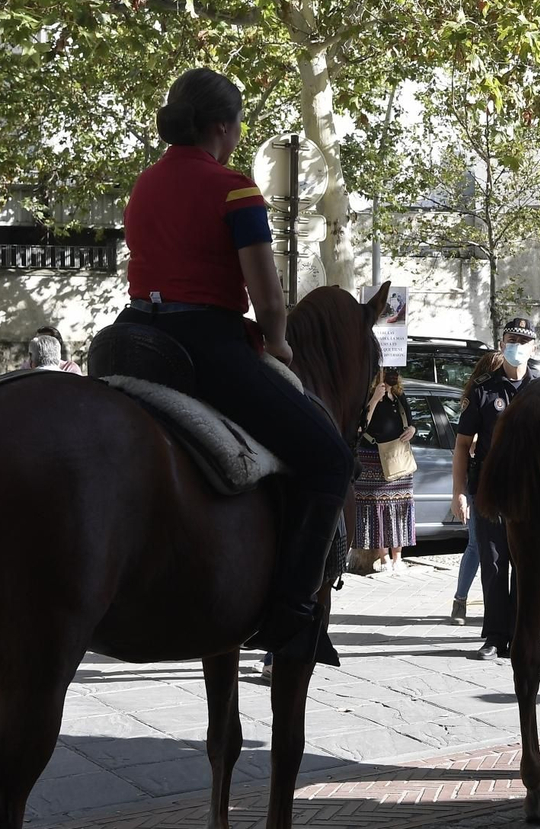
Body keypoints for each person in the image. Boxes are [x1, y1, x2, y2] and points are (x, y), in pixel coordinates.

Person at [119, 67, 352, 662]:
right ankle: (292, 611)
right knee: (330, 460)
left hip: (131, 337)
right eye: (239, 125)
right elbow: (268, 299)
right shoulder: (234, 189)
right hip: (204, 343)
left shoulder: (144, 184)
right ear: (224, 126)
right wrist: (278, 342)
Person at [453, 319, 540, 660]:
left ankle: (520, 634)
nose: (516, 345)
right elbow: (462, 445)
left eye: (523, 340)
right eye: (511, 339)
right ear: (502, 344)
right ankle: (494, 635)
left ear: (533, 347)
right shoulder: (483, 389)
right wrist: (459, 492)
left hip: (529, 491)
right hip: (489, 488)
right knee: (492, 562)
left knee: (525, 563)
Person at [447, 349, 501, 626]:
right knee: (476, 545)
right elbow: (464, 444)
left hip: (503, 481)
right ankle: (460, 599)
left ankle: (499, 607)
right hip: (479, 481)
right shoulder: (480, 395)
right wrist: (459, 492)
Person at [354, 369, 418, 573]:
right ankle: (383, 558)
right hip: (373, 458)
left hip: (398, 458)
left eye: (395, 372)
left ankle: (398, 557)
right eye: (389, 371)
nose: (393, 375)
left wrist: (412, 430)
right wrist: (375, 399)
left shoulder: (399, 395)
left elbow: (410, 422)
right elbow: (360, 426)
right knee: (377, 509)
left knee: (400, 507)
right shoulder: (368, 394)